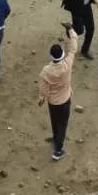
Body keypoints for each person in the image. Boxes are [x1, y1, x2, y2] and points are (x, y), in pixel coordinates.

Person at [38, 23, 79, 160]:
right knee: (63, 124)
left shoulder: (46, 71)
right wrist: (71, 31)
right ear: (62, 54)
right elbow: (73, 48)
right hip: (65, 99)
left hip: (52, 101)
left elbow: (43, 88)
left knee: (54, 121)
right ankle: (59, 149)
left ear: (51, 56)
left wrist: (42, 98)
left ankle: (56, 139)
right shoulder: (67, 64)